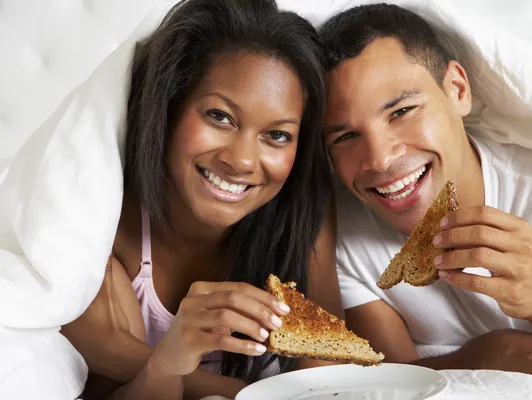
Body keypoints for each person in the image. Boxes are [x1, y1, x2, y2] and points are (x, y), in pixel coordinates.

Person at [60, 0, 342, 399]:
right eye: (220, 116)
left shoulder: (302, 212)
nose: (241, 161)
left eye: (277, 135)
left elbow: (327, 373)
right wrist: (167, 364)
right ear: (170, 108)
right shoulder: (105, 230)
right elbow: (106, 379)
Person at [319, 3, 532, 387]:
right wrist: (491, 354)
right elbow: (387, 382)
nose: (381, 159)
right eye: (346, 136)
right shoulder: (345, 242)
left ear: (458, 90)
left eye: (402, 111)